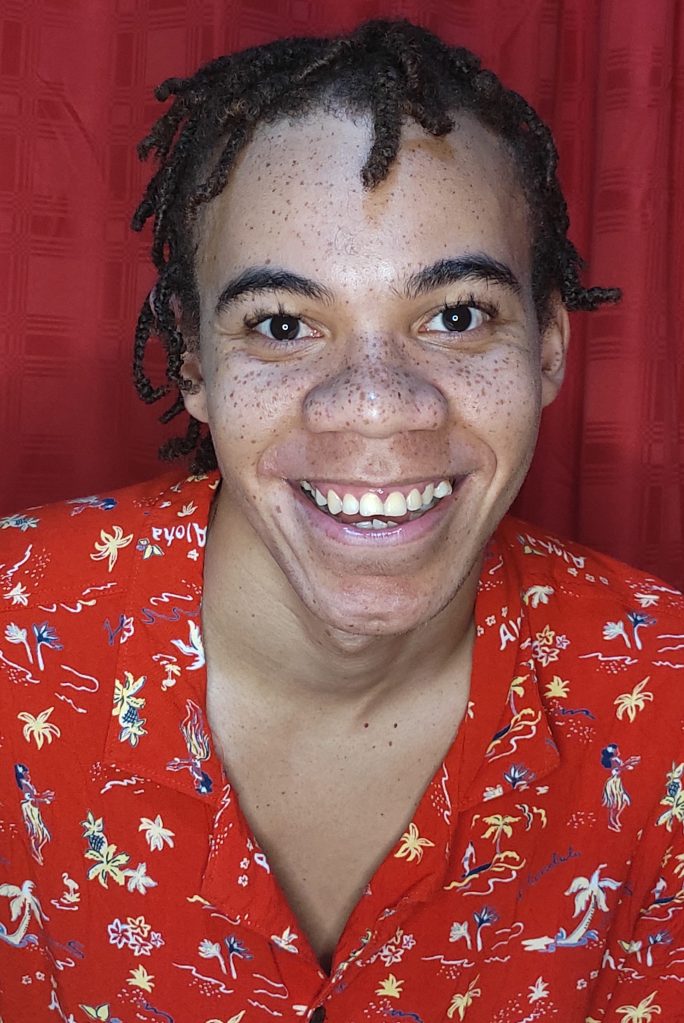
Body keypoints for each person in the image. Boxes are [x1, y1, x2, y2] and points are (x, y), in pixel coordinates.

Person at [1, 18, 682, 1022]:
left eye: (457, 315)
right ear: (193, 361)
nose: (375, 407)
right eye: (282, 324)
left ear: (547, 345)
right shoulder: (14, 639)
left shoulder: (665, 707)